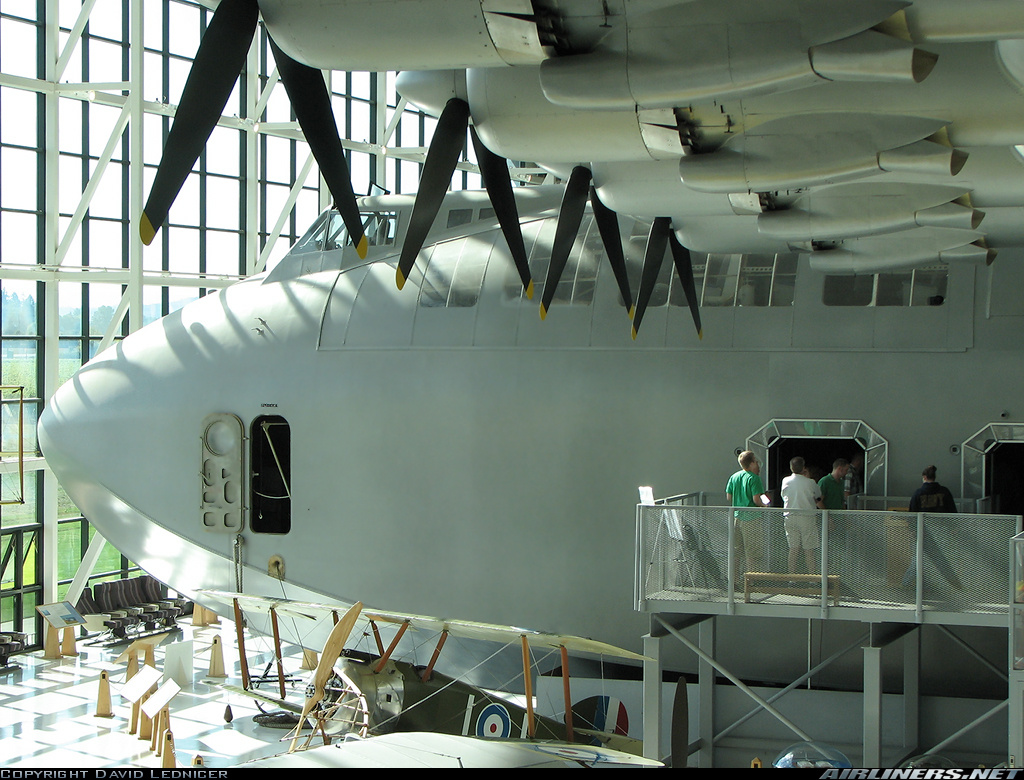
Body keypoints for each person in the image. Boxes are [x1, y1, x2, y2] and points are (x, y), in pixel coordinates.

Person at [903, 465, 962, 588]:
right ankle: (954, 585)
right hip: (941, 531)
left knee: (918, 559)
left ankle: (906, 585)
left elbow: (912, 513)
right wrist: (953, 528)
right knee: (943, 560)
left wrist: (913, 530)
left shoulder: (918, 493)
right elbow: (952, 511)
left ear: (924, 477)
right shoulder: (944, 492)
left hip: (922, 532)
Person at [726, 451, 770, 575]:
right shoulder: (754, 478)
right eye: (755, 461)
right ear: (751, 463)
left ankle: (734, 581)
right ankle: (751, 582)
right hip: (751, 518)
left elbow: (729, 497)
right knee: (752, 552)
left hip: (737, 517)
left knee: (736, 551)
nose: (757, 464)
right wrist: (765, 506)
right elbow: (756, 499)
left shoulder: (734, 477)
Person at [781, 456, 824, 575]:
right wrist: (808, 477)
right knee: (809, 549)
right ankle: (812, 579)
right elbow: (818, 496)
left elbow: (783, 496)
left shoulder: (785, 481)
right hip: (807, 517)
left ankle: (792, 578)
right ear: (804, 468)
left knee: (793, 549)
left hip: (789, 516)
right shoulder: (810, 482)